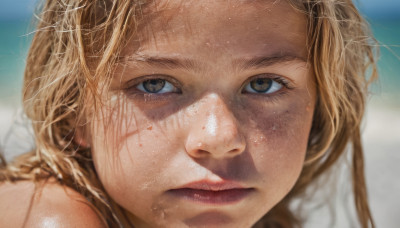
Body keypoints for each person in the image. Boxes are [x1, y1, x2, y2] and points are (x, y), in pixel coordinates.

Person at [0, 0, 378, 227]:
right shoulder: (48, 216)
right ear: (73, 109)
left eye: (263, 84)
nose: (218, 137)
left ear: (321, 105)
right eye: (155, 85)